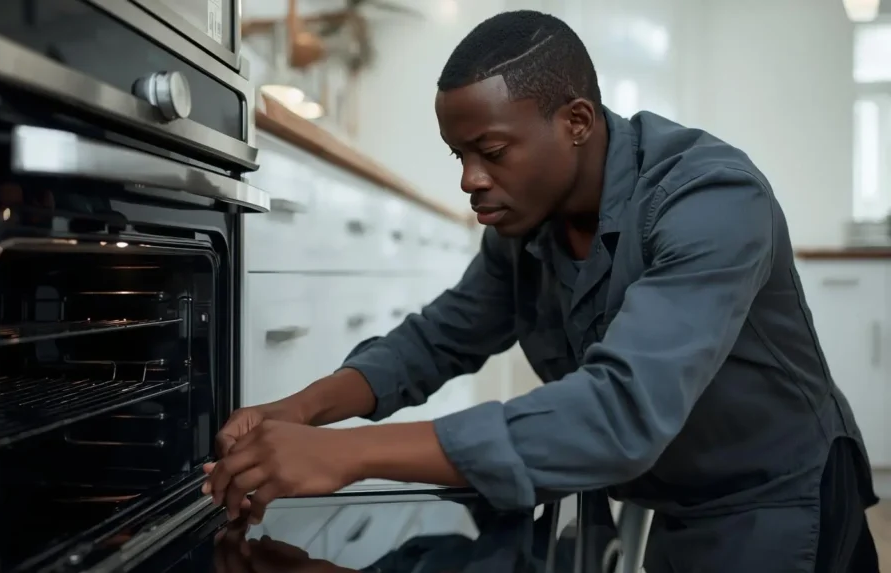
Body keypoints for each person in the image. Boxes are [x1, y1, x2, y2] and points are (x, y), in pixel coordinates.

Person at [203, 10, 880, 572]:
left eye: (490, 152)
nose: (470, 179)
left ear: (576, 121)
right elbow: (438, 338)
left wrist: (343, 455)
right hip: (673, 492)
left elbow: (618, 412)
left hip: (773, 499)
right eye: (459, 156)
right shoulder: (524, 228)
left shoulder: (710, 198)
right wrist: (299, 410)